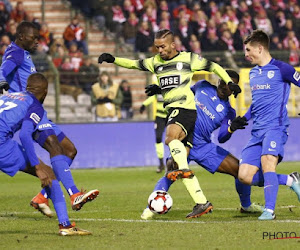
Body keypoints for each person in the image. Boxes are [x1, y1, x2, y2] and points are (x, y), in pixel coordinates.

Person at [98, 28, 241, 216]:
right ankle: (194, 201)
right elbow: (134, 64)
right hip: (177, 112)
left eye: (163, 47)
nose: (160, 51)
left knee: (170, 138)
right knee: (173, 163)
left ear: (173, 45)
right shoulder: (155, 62)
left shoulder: (188, 59)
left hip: (183, 109)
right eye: (157, 47)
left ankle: (184, 170)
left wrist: (228, 81)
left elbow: (213, 66)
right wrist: (114, 60)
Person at [0, 21, 99, 217]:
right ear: (21, 37)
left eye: (38, 37)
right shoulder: (16, 52)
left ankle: (42, 197)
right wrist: (2, 81)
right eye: (33, 37)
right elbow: (3, 69)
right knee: (54, 145)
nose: (37, 41)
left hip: (36, 108)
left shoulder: (23, 53)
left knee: (69, 150)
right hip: (28, 108)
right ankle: (74, 194)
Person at [141, 70, 262, 220]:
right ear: (219, 80)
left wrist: (231, 128)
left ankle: (246, 205)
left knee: (240, 171)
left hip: (204, 146)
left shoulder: (229, 111)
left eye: (230, 85)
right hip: (184, 140)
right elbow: (182, 94)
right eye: (224, 81)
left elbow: (222, 137)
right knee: (171, 172)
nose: (225, 86)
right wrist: (161, 90)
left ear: (234, 89)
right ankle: (149, 209)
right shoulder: (202, 86)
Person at [0, 73, 91, 235]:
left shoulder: (11, 95)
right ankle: (65, 226)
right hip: (2, 145)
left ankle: (45, 201)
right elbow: (24, 135)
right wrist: (37, 166)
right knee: (49, 174)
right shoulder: (35, 105)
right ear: (46, 92)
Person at [239, 29, 300, 220]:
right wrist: (244, 118)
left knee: (267, 163)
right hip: (257, 131)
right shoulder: (252, 74)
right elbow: (256, 104)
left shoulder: (283, 69)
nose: (246, 54)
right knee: (244, 176)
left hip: (276, 127)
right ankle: (291, 180)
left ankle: (270, 210)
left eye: (248, 50)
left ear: (260, 48)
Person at [139, 79, 167, 173]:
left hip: (170, 116)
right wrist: (144, 104)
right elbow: (153, 97)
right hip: (159, 117)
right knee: (158, 138)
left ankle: (177, 162)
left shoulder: (170, 87)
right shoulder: (158, 88)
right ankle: (161, 163)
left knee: (174, 139)